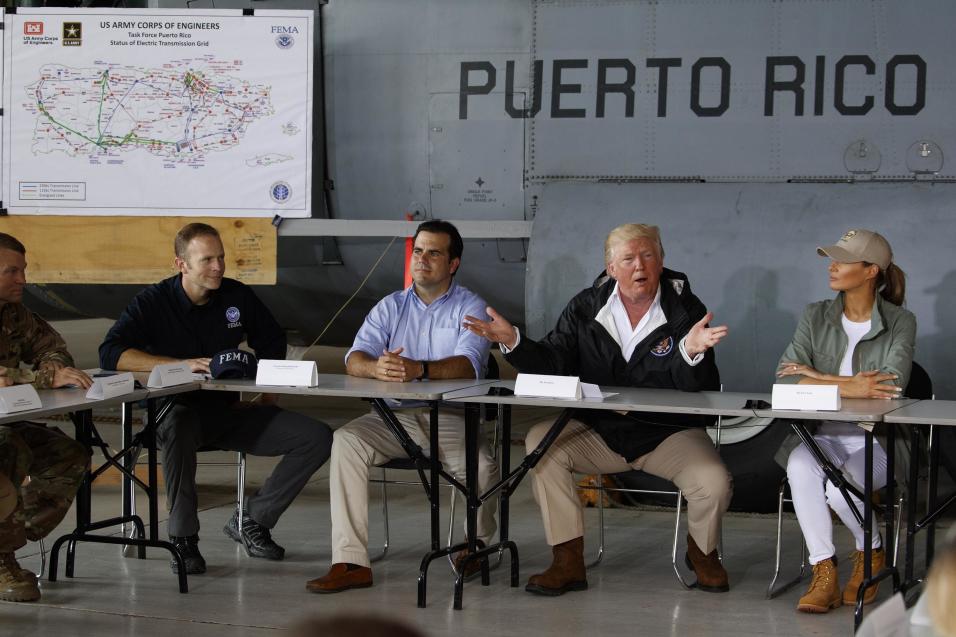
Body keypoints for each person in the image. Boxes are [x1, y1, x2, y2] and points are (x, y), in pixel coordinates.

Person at [464, 223, 733, 596]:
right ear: (611, 268)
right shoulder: (586, 307)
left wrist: (691, 352)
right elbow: (555, 362)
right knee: (542, 441)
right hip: (600, 431)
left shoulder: (686, 309)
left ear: (661, 261)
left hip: (667, 434)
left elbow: (698, 387)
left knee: (713, 481)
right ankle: (568, 560)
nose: (640, 265)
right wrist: (514, 342)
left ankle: (702, 552)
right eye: (628, 258)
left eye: (648, 255)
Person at [99, 223, 333, 575]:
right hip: (172, 415)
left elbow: (271, 341)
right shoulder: (153, 301)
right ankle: (183, 538)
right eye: (207, 259)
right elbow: (111, 353)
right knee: (177, 424)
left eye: (221, 258)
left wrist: (266, 395)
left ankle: (252, 520)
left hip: (226, 413)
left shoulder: (236, 296)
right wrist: (178, 364)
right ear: (182, 264)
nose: (218, 267)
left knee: (317, 437)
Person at [306, 220, 498, 594]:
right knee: (346, 441)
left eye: (434, 253)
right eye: (419, 251)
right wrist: (374, 366)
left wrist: (420, 370)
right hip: (394, 418)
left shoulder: (471, 306)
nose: (422, 259)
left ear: (453, 263)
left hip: (451, 418)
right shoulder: (389, 306)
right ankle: (350, 562)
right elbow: (353, 358)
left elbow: (470, 364)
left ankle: (477, 547)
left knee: (483, 467)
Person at [776, 228, 914, 613]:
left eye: (843, 259)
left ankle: (870, 553)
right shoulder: (814, 314)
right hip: (822, 435)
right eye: (831, 258)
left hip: (879, 441)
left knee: (839, 491)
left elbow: (890, 387)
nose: (832, 266)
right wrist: (851, 384)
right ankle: (825, 570)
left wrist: (817, 377)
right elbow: (784, 377)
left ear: (871, 271)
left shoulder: (901, 321)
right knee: (799, 465)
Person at [0, 233, 92, 602]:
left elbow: (52, 348)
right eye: (11, 271)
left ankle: (7, 539)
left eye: (23, 270)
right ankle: (3, 556)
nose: (23, 279)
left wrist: (53, 367)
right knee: (8, 447)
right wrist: (40, 377)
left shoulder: (14, 313)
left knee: (68, 454)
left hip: (7, 417)